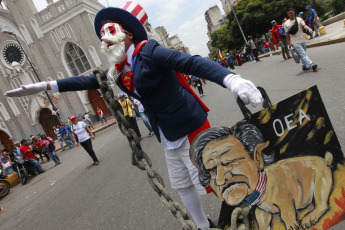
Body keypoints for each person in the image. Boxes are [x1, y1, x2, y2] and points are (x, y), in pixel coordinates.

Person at [4, 3, 262, 229]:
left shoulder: (149, 51)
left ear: (127, 34)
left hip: (188, 125)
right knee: (182, 184)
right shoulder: (119, 68)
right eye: (102, 35)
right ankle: (202, 225)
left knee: (215, 180)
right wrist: (48, 86)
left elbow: (190, 62)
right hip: (168, 133)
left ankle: (253, 214)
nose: (104, 39)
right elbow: (87, 80)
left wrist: (230, 78)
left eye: (110, 32)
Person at [284, 7, 318, 71]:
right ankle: (312, 64)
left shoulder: (299, 19)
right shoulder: (286, 24)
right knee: (303, 53)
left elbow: (304, 26)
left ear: (294, 12)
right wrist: (289, 43)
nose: (290, 14)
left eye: (291, 13)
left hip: (302, 39)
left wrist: (309, 29)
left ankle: (304, 66)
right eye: (288, 14)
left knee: (303, 53)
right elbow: (287, 34)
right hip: (294, 41)